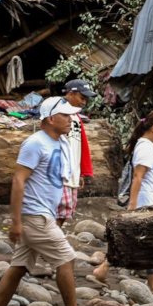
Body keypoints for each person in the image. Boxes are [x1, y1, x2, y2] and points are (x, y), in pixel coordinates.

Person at [0, 99, 82, 306]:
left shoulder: (59, 142)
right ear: (50, 119)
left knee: (18, 267)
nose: (70, 119)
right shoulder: (35, 143)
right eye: (65, 116)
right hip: (35, 216)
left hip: (42, 214)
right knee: (66, 259)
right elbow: (18, 180)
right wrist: (15, 222)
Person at [92, 110, 153, 296]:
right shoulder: (145, 147)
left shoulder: (147, 146)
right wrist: (133, 205)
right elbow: (138, 177)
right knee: (150, 243)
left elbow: (146, 174)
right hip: (146, 202)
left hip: (150, 199)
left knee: (138, 240)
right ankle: (152, 285)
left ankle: (103, 269)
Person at [54, 79, 97, 226]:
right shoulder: (59, 113)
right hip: (60, 172)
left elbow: (78, 145)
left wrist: (80, 172)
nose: (84, 102)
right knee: (58, 210)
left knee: (66, 212)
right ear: (71, 94)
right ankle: (50, 241)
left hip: (72, 171)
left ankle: (52, 240)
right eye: (82, 98)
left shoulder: (76, 116)